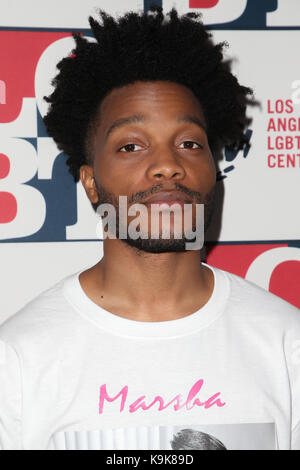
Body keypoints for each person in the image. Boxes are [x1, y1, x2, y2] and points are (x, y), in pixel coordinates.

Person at [0, 4, 299, 451]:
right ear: (90, 182)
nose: (166, 165)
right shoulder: (17, 361)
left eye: (189, 143)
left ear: (212, 173)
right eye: (131, 145)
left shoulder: (286, 345)